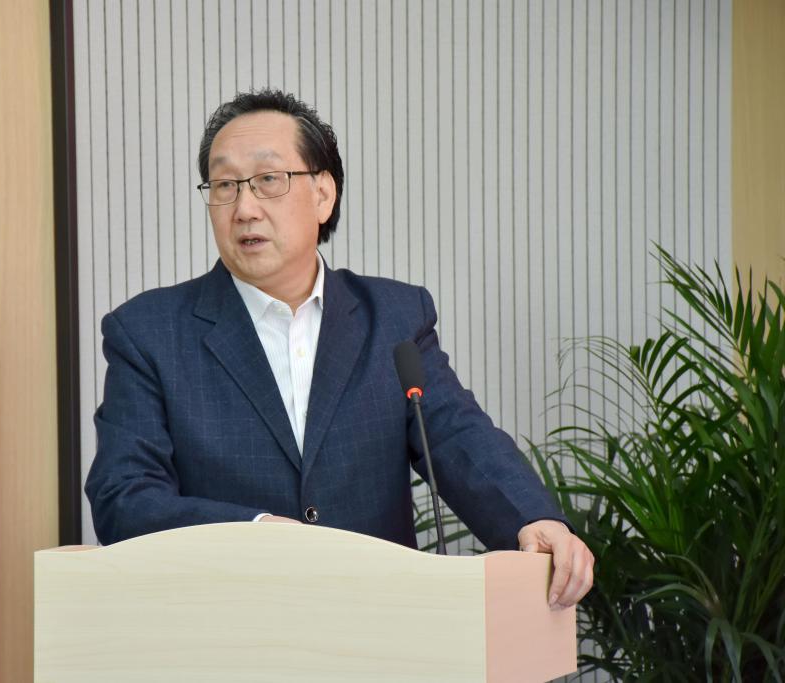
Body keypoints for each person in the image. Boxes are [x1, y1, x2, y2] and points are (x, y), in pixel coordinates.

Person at [85, 89, 593, 609]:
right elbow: (124, 496)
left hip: (378, 620)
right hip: (225, 621)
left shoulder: (394, 317)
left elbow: (456, 436)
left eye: (268, 179)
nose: (244, 208)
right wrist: (253, 532)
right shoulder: (148, 333)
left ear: (323, 195)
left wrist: (533, 518)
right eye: (224, 185)